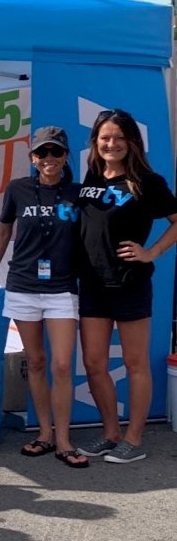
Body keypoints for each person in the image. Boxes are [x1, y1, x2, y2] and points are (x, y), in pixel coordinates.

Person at [0, 127, 85, 467]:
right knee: (35, 361)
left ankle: (64, 440)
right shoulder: (18, 189)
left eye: (56, 152)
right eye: (42, 153)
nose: (49, 158)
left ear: (66, 157)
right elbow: (4, 230)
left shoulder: (78, 192)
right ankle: (45, 433)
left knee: (62, 365)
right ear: (33, 157)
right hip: (23, 286)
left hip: (62, 288)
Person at [73, 108, 177, 464]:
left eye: (119, 137)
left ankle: (134, 439)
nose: (111, 144)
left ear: (132, 142)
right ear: (95, 141)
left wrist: (151, 252)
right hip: (92, 284)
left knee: (135, 364)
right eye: (105, 137)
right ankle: (111, 433)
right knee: (93, 363)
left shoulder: (148, 181)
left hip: (130, 283)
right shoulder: (91, 176)